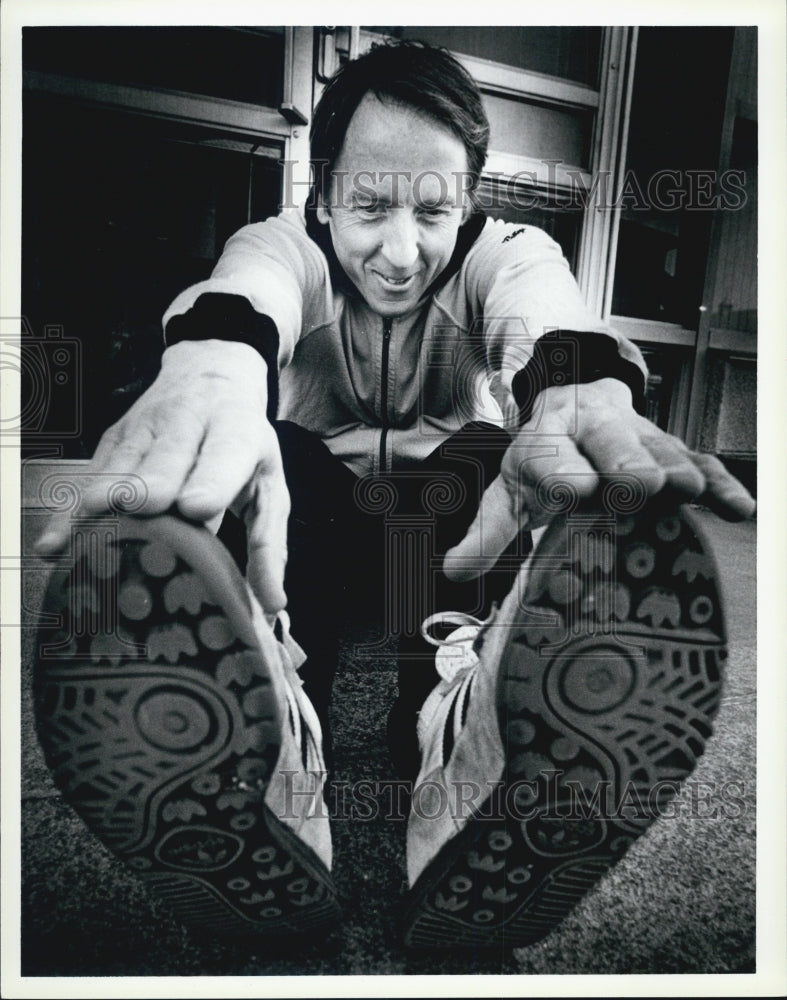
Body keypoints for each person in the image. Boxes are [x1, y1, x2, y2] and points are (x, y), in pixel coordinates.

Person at [33, 40, 755, 951]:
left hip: (438, 556)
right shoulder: (280, 246)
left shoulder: (507, 253)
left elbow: (550, 317)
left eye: (435, 210)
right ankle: (283, 736)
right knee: (278, 452)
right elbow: (241, 298)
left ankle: (454, 750)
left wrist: (578, 390)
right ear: (325, 189)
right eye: (369, 206)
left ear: (471, 203)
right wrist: (214, 363)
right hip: (308, 558)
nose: (401, 251)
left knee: (481, 453)